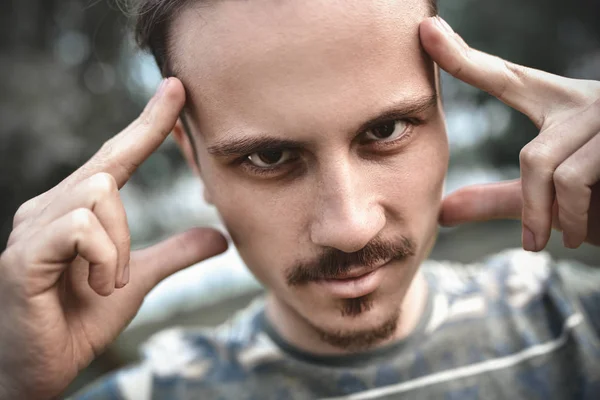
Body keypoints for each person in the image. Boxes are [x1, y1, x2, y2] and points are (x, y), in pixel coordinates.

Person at [0, 0, 599, 398]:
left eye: (386, 131)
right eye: (268, 157)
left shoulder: (573, 326)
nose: (349, 227)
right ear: (193, 155)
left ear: (443, 104)